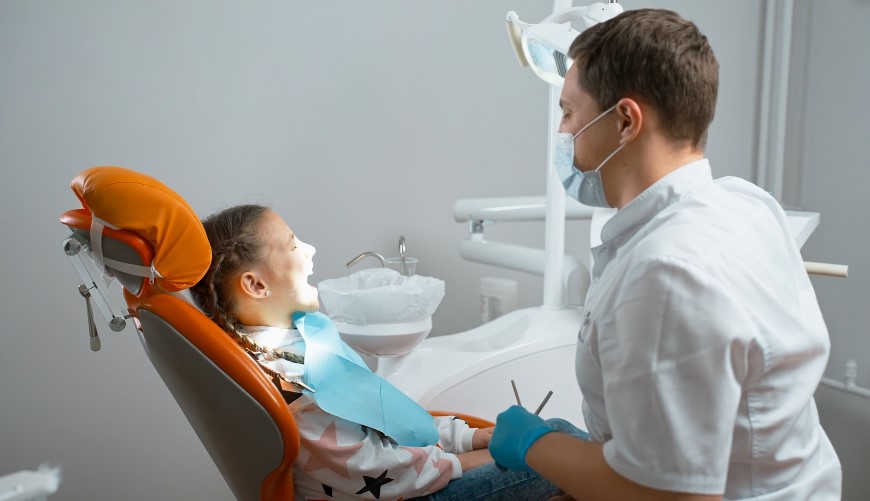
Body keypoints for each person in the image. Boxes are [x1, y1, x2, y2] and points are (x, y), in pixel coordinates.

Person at [490, 8, 841, 501]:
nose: (562, 133)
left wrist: (533, 444)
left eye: (568, 112)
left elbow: (669, 497)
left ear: (626, 121)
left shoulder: (667, 272)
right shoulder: (743, 201)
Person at [189, 204, 562, 501]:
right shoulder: (292, 378)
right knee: (559, 443)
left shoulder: (293, 347)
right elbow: (373, 470)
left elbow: (385, 417)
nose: (310, 250)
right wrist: (470, 458)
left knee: (552, 446)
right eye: (292, 245)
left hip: (411, 476)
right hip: (407, 491)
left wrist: (466, 437)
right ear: (254, 284)